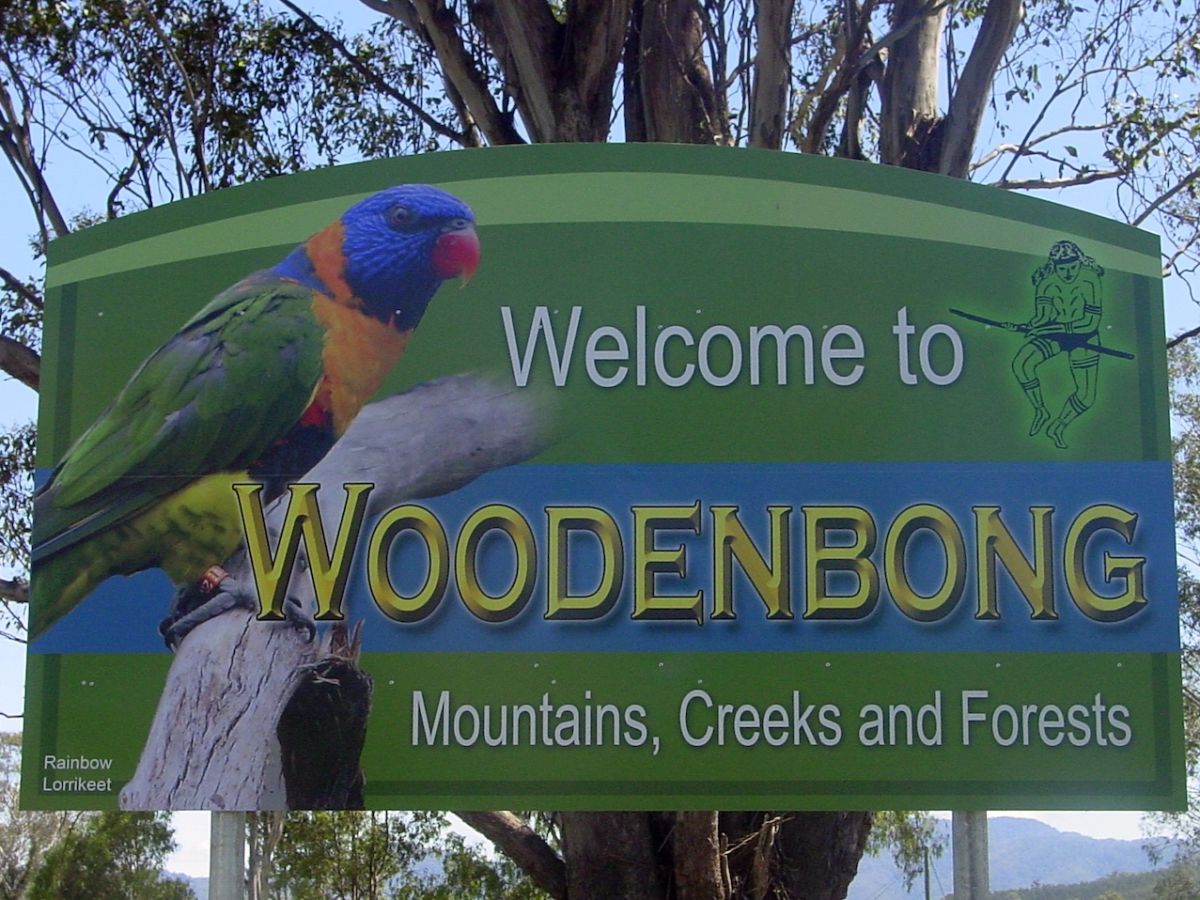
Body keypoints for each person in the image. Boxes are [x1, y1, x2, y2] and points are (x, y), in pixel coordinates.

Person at [1008, 240, 1104, 449]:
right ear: (1054, 266)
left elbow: (1091, 321)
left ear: (1079, 262)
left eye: (1072, 267)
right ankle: (1040, 409)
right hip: (1056, 334)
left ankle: (1058, 426)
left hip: (1084, 337)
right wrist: (1025, 326)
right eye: (1063, 269)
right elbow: (1042, 318)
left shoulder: (1090, 280)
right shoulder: (1046, 283)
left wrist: (1057, 329)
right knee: (1021, 364)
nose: (1068, 273)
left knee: (1086, 396)